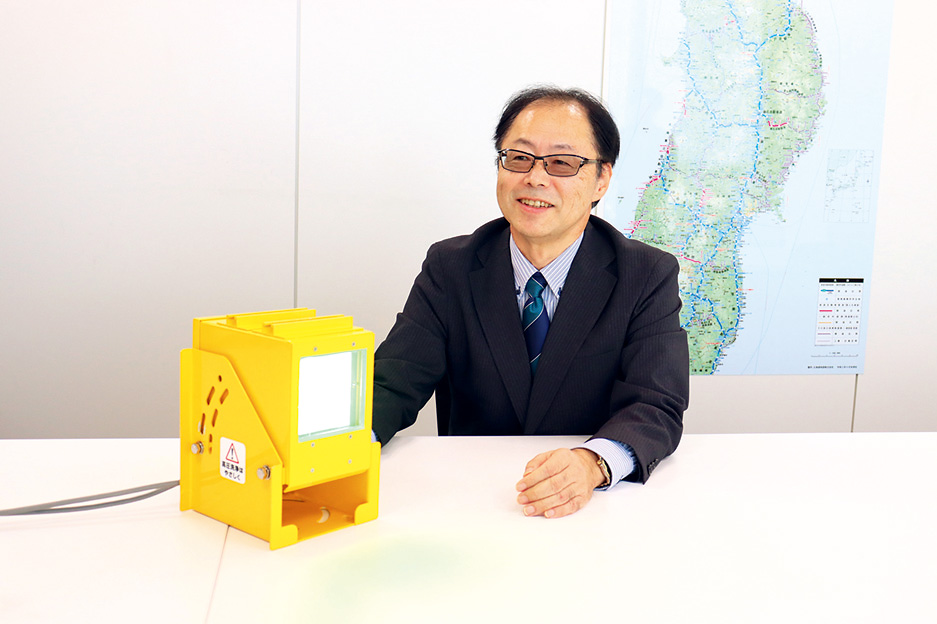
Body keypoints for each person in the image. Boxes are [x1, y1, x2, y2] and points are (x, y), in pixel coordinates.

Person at [372, 85, 689, 519]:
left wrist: (592, 464)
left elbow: (656, 403)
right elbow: (392, 384)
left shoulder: (645, 274)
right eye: (519, 158)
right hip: (471, 501)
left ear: (601, 179)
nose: (535, 178)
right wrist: (333, 448)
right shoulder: (451, 266)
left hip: (594, 509)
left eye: (562, 162)